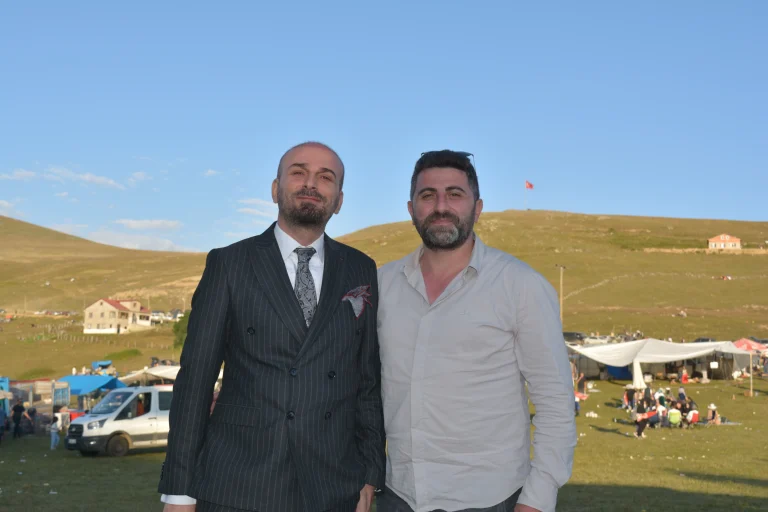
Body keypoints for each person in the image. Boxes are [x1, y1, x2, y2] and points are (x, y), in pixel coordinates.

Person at [158, 142, 385, 512]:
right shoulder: (230, 263)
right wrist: (179, 493)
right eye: (298, 172)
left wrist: (370, 472)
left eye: (325, 177)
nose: (311, 183)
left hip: (334, 485)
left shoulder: (361, 268)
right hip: (239, 483)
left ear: (339, 201)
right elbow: (195, 381)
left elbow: (367, 382)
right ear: (276, 189)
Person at [376, 150, 576, 512]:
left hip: (490, 498)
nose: (441, 206)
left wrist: (539, 497)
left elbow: (554, 399)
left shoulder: (520, 285)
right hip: (399, 495)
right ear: (411, 209)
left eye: (454, 194)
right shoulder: (383, 285)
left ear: (478, 207)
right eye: (427, 195)